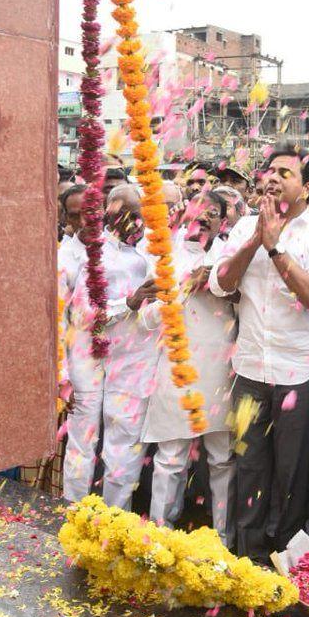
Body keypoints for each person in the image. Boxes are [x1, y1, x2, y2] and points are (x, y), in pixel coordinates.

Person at [209, 144, 309, 561]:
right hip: (249, 369)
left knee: (291, 475)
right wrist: (255, 240)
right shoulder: (246, 225)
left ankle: (286, 562)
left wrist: (275, 247)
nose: (272, 177)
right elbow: (221, 284)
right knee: (248, 470)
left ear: (308, 187)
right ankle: (248, 561)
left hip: (297, 375)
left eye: (285, 172)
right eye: (269, 170)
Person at [142, 191, 236, 544]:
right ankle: (159, 539)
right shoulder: (163, 254)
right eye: (198, 210)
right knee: (170, 457)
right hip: (176, 364)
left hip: (220, 367)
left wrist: (213, 280)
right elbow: (147, 319)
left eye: (213, 213)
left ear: (222, 223)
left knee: (222, 458)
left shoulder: (230, 255)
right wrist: (179, 290)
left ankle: (223, 540)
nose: (204, 217)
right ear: (185, 214)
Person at [63, 185, 159, 506]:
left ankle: (117, 524)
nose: (139, 222)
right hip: (89, 359)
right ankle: (73, 515)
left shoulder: (154, 251)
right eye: (131, 215)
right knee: (83, 443)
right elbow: (82, 312)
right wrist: (128, 303)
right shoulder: (95, 252)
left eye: (141, 215)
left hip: (134, 361)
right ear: (113, 214)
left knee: (124, 447)